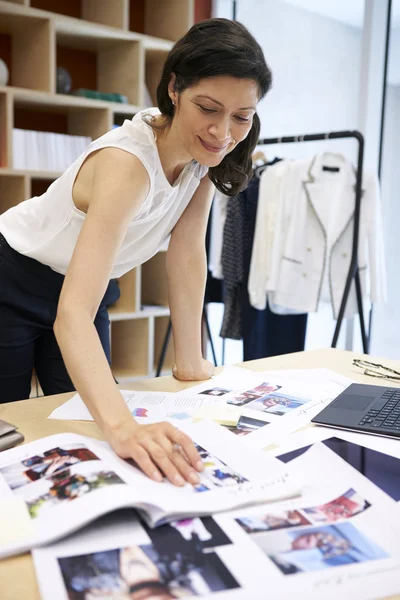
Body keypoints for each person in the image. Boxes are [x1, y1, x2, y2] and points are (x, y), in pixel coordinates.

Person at [0, 18, 272, 485]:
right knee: (11, 428)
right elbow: (72, 316)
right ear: (174, 89)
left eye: (241, 117)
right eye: (208, 108)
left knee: (84, 425)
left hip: (85, 290)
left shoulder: (204, 160)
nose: (223, 132)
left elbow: (186, 255)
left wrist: (189, 361)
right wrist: (125, 427)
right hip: (12, 278)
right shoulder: (128, 165)